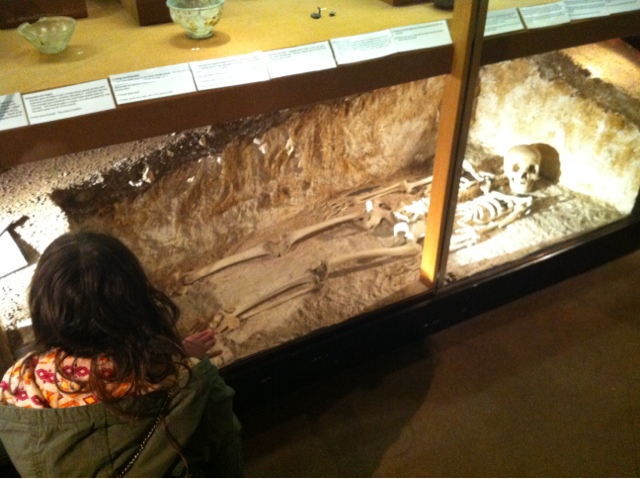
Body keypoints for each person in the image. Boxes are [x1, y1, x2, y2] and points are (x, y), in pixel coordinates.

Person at [0, 232, 244, 477]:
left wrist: (171, 357)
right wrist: (183, 362)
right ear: (135, 297)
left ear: (44, 304)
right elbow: (227, 467)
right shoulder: (193, 388)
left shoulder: (18, 383)